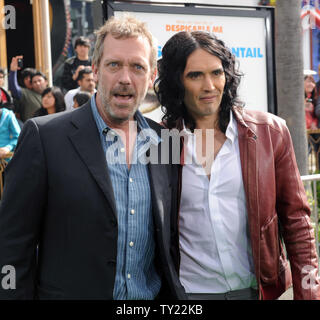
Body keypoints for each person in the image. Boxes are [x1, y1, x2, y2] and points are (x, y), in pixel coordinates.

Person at [0, 14, 185, 300]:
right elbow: (11, 244)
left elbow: (169, 241)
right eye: (114, 65)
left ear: (151, 78)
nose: (125, 78)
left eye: (137, 67)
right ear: (96, 70)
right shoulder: (44, 137)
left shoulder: (164, 141)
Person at [155, 31, 320, 300]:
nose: (209, 85)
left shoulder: (268, 132)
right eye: (195, 75)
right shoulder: (162, 142)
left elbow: (297, 222)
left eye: (216, 73)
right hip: (189, 294)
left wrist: (310, 293)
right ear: (177, 83)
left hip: (258, 291)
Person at [9, 57, 48, 122]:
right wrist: (13, 71)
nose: (37, 83)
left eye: (39, 80)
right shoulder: (27, 94)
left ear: (46, 81)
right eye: (34, 82)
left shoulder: (53, 92)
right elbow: (14, 89)